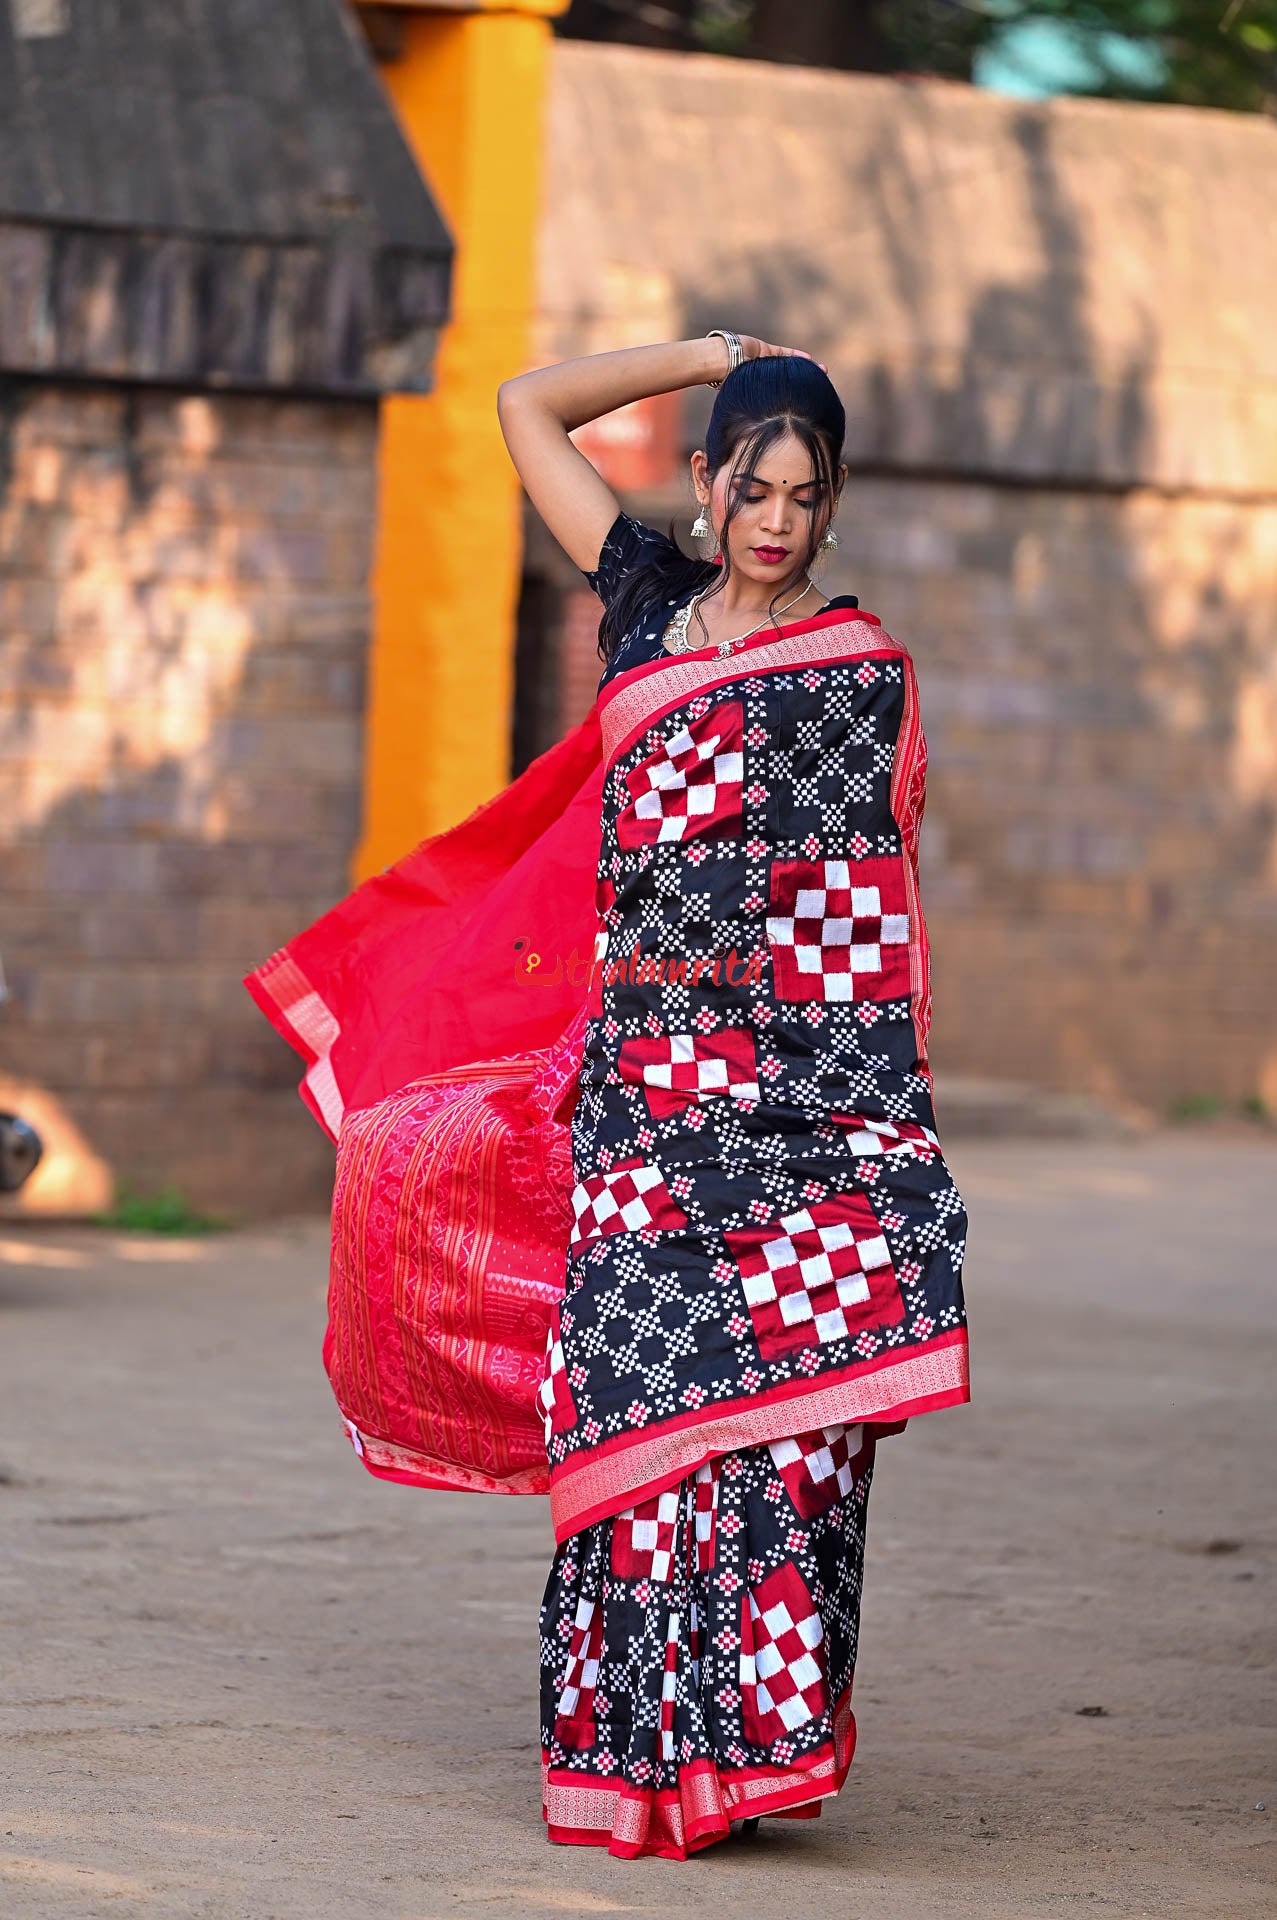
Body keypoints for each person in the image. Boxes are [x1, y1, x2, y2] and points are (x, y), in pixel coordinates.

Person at [247, 331, 970, 1862]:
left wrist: (876, 1124)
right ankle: (632, 1764)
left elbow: (865, 925)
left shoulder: (851, 670)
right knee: (635, 1415)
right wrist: (712, 353)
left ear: (832, 507)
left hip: (791, 1103)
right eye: (752, 483)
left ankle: (754, 1758)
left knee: (787, 1433)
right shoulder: (643, 604)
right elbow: (522, 407)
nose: (776, 519)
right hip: (639, 1104)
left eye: (806, 493)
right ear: (704, 483)